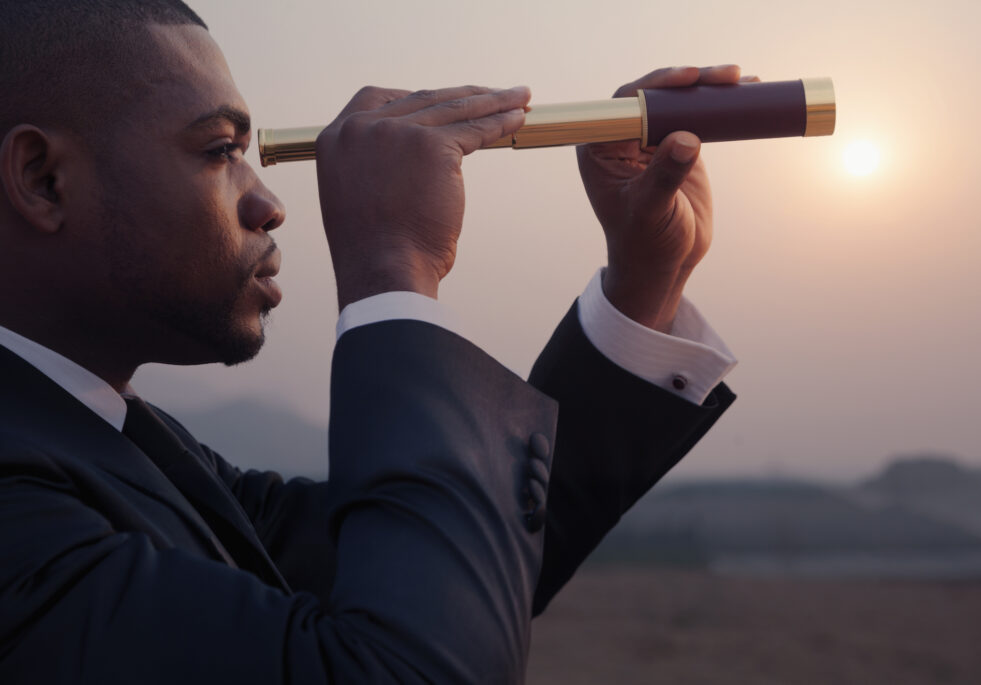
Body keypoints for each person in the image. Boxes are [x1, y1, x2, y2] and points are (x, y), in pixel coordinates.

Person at [0, 1, 738, 682]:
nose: (268, 202)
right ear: (43, 179)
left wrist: (644, 284)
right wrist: (394, 267)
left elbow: (446, 568)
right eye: (220, 149)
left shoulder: (120, 442)